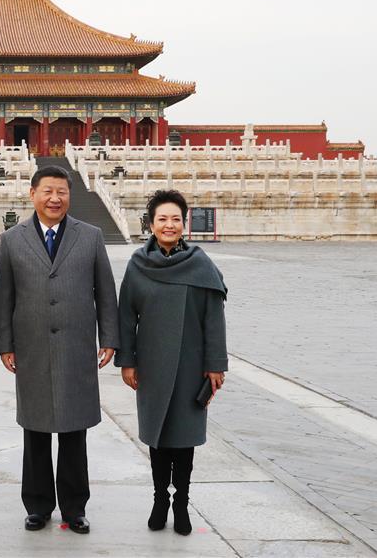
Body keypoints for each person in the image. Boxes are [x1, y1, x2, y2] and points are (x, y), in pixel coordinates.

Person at [0, 164, 119, 534]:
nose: (55, 198)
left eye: (62, 192)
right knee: (34, 430)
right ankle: (37, 505)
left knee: (74, 431)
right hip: (31, 347)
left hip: (76, 346)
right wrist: (5, 344)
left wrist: (109, 338)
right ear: (32, 194)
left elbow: (105, 292)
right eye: (47, 191)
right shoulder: (12, 239)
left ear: (69, 196)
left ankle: (74, 507)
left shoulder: (90, 236)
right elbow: (3, 297)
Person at [115, 189, 228, 536]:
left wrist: (215, 364)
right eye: (162, 219)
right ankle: (159, 499)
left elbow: (213, 318)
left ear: (184, 223)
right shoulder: (138, 265)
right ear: (151, 224)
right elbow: (126, 317)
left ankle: (181, 503)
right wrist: (127, 361)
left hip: (191, 364)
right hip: (152, 365)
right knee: (158, 437)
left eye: (175, 219)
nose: (169, 225)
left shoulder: (200, 264)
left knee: (184, 437)